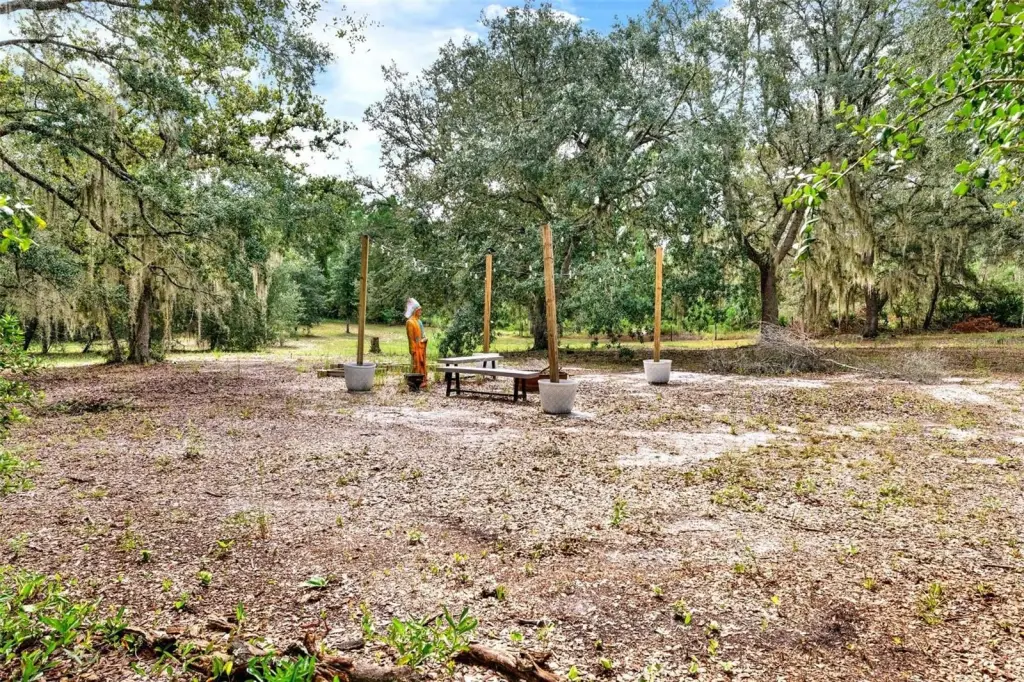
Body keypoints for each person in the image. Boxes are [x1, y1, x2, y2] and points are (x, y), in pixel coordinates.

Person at [405, 298, 428, 386]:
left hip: (421, 346)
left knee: (422, 364)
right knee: (416, 365)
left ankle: (423, 381)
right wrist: (413, 349)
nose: (421, 312)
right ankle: (415, 382)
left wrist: (424, 339)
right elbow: (410, 338)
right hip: (416, 347)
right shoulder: (410, 322)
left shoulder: (419, 322)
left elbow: (423, 334)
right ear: (415, 311)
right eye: (419, 310)